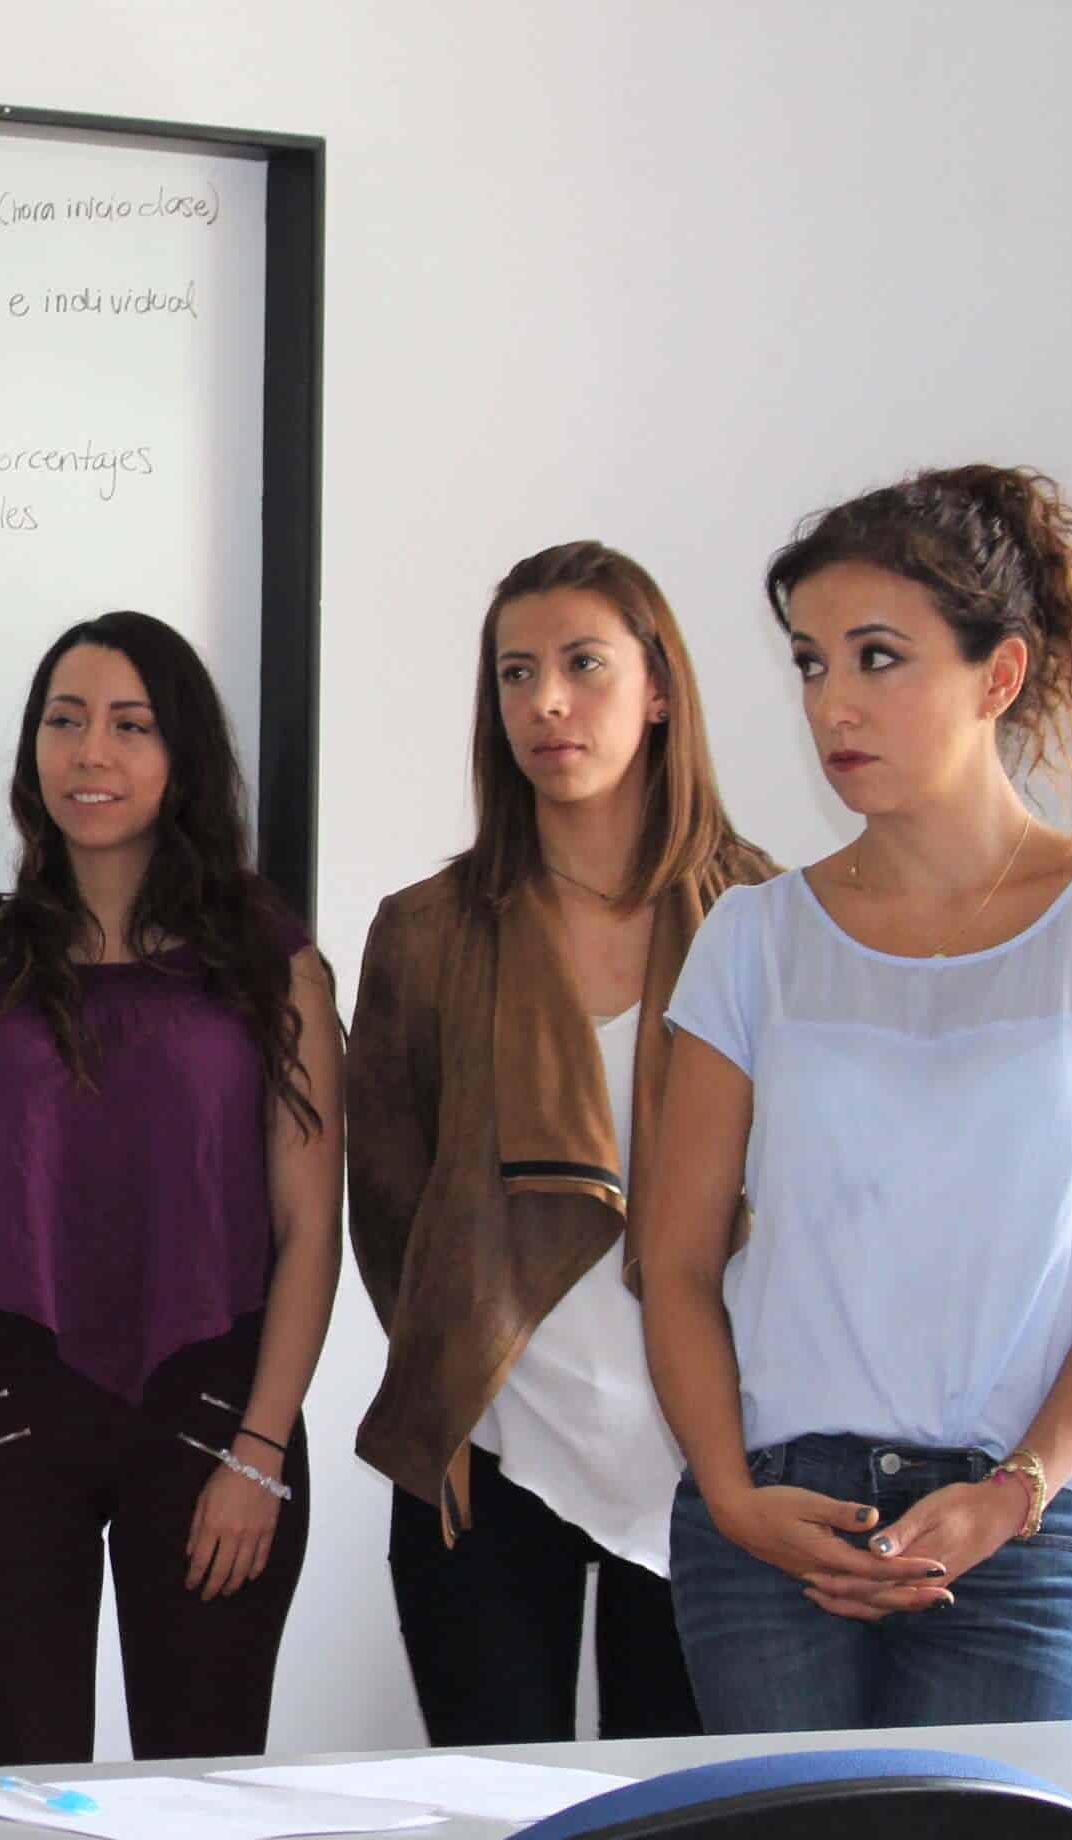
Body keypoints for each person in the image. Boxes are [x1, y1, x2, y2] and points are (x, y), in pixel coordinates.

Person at [645, 465, 1072, 1732]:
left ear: (998, 674)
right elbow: (674, 1260)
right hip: (779, 1520)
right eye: (811, 664)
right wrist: (732, 1496)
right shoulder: (751, 937)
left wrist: (1017, 1490)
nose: (833, 703)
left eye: (878, 657)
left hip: (1025, 1524)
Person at [0, 612, 342, 1766]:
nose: (90, 752)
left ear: (183, 754)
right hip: (7, 1407)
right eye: (65, 721)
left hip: (217, 1408)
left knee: (203, 1796)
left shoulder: (272, 963)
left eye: (130, 726)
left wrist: (260, 1450)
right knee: (22, 1801)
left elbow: (310, 1226)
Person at [348, 543, 772, 1744]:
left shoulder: (764, 920)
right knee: (495, 1823)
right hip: (490, 1447)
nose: (545, 702)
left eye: (584, 665)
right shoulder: (427, 930)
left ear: (659, 689)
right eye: (515, 673)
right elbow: (387, 1199)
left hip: (712, 1456)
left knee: (683, 1825)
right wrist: (450, 1373)